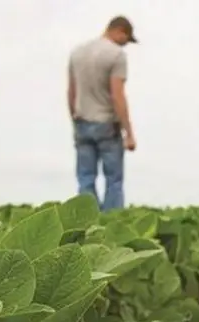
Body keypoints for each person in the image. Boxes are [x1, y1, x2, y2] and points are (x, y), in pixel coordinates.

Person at [67, 16, 138, 210]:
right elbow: (117, 96)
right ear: (120, 31)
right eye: (127, 39)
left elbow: (71, 93)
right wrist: (129, 133)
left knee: (85, 178)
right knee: (113, 180)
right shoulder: (116, 55)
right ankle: (111, 227)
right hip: (107, 124)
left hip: (82, 121)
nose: (126, 45)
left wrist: (74, 119)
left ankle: (86, 224)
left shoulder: (77, 52)